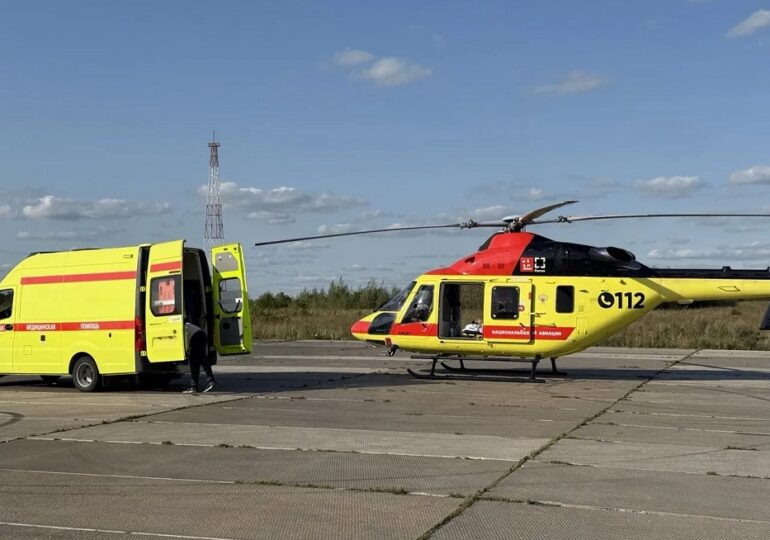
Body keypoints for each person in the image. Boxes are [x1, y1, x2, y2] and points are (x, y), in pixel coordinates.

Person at [183, 322, 215, 393]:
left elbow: (185, 339)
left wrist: (187, 351)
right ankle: (208, 381)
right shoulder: (186, 324)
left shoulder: (181, 326)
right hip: (201, 335)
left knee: (195, 363)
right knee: (201, 361)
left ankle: (195, 386)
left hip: (196, 337)